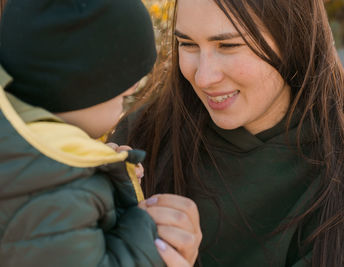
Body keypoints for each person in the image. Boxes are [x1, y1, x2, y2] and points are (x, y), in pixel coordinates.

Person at [0, 0, 201, 266]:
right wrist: (146, 239)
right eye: (125, 98)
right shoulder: (55, 194)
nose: (125, 111)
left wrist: (93, 169)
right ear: (82, 93)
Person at [110, 0, 344, 266]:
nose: (203, 78)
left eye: (228, 45)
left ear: (294, 38)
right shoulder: (143, 135)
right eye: (187, 44)